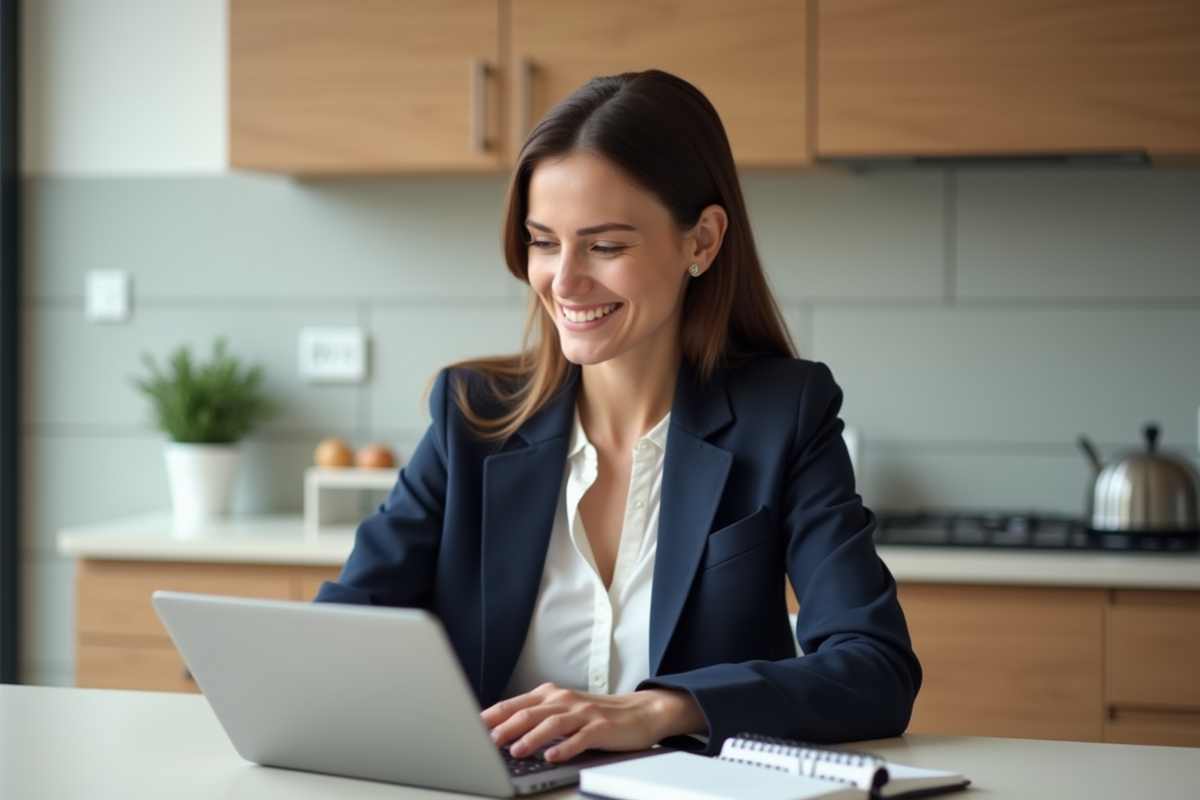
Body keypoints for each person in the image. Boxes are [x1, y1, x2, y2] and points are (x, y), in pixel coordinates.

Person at [315, 69, 920, 763]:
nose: (564, 281)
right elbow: (343, 634)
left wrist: (662, 709)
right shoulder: (470, 418)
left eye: (605, 246)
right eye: (544, 242)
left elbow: (877, 670)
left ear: (702, 241)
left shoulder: (786, 414)